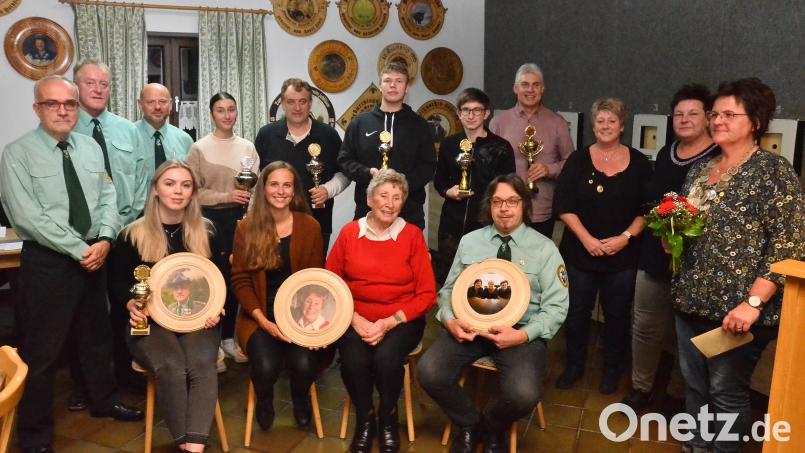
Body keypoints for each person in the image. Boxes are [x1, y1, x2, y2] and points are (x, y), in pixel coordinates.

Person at [0, 75, 142, 453]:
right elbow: (27, 217)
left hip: (95, 256)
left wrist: (107, 238)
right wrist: (80, 249)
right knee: (42, 353)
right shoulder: (17, 154)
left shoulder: (90, 148)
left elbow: (108, 196)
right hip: (49, 262)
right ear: (37, 108)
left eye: (69, 103)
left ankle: (103, 401)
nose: (63, 110)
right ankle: (34, 435)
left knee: (96, 339)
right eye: (53, 103)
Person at [673, 78, 804, 453]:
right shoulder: (701, 169)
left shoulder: (774, 172)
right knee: (695, 388)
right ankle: (696, 447)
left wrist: (753, 303)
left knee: (726, 393)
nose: (718, 121)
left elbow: (788, 245)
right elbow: (685, 225)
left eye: (730, 114)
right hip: (690, 301)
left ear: (756, 122)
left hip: (739, 314)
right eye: (715, 113)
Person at [417, 174, 569, 453]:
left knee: (523, 394)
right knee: (429, 372)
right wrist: (449, 319)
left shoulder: (545, 249)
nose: (504, 208)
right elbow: (448, 290)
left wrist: (523, 335)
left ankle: (493, 426)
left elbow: (557, 306)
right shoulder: (470, 242)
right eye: (497, 201)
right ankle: (470, 424)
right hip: (470, 327)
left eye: (512, 201)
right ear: (489, 206)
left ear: (524, 205)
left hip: (519, 332)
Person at [110, 160, 223, 452]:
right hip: (147, 323)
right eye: (170, 184)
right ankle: (187, 443)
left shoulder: (207, 231)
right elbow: (117, 283)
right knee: (172, 367)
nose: (178, 191)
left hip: (198, 322)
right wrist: (130, 302)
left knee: (201, 365)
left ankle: (192, 447)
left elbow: (222, 281)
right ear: (156, 190)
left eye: (186, 185)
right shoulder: (131, 234)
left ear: (193, 193)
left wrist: (218, 307)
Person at [623, 84, 721, 413]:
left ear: (708, 118)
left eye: (693, 113)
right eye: (678, 114)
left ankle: (679, 395)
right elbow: (653, 199)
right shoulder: (667, 152)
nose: (684, 119)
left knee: (688, 333)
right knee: (645, 325)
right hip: (653, 255)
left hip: (693, 261)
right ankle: (641, 387)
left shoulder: (717, 158)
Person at [326, 169, 436, 453]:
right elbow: (330, 283)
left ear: (403, 203)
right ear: (370, 199)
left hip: (401, 318)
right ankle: (365, 420)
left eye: (397, 198)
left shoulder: (412, 236)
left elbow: (426, 294)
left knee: (387, 361)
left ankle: (388, 419)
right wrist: (353, 318)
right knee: (353, 362)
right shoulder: (350, 233)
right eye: (384, 196)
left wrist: (390, 322)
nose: (390, 203)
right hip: (354, 316)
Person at [553, 98, 653, 394]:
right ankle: (574, 367)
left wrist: (625, 238)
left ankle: (611, 371)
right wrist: (586, 239)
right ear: (593, 126)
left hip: (622, 256)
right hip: (580, 252)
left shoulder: (639, 164)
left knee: (618, 316)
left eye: (612, 121)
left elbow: (648, 209)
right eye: (600, 121)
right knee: (576, 314)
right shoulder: (578, 160)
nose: (605, 126)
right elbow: (563, 204)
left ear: (622, 126)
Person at [230, 161, 326, 431]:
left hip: (300, 316)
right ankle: (264, 400)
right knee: (265, 365)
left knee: (305, 363)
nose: (280, 191)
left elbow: (316, 280)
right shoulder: (246, 227)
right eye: (274, 184)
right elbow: (240, 279)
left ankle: (300, 398)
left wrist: (309, 323)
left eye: (287, 185)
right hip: (259, 314)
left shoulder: (310, 227)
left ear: (295, 190)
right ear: (263, 189)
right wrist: (262, 320)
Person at [73, 59, 149, 393]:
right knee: (84, 317)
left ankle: (125, 374)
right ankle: (83, 385)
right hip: (81, 239)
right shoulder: (66, 127)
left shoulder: (127, 129)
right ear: (76, 86)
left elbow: (140, 177)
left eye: (104, 84)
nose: (98, 89)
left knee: (125, 307)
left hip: (124, 234)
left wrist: (127, 224)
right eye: (90, 83)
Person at [187, 92, 259, 367]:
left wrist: (244, 203)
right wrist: (225, 197)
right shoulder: (199, 148)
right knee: (210, 280)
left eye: (231, 109)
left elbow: (256, 185)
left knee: (234, 278)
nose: (227, 115)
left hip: (240, 222)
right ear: (211, 114)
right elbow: (192, 192)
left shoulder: (248, 147)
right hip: (207, 222)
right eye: (220, 110)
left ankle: (229, 339)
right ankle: (211, 343)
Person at [338, 62, 437, 229]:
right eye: (387, 80)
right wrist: (368, 173)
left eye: (399, 81)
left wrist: (403, 183)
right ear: (380, 85)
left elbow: (428, 166)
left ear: (407, 87)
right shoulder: (360, 123)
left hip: (409, 212)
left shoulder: (420, 126)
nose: (393, 85)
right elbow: (345, 160)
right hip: (367, 211)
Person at [433, 87, 516, 282]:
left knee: (482, 282)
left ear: (486, 113)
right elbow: (439, 180)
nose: (471, 115)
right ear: (458, 114)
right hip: (451, 225)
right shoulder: (449, 144)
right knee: (449, 279)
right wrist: (448, 191)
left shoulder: (501, 147)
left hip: (486, 225)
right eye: (466, 110)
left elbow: (508, 188)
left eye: (477, 110)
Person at [254, 78, 346, 251]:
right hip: (272, 224)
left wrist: (328, 190)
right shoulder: (266, 135)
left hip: (318, 222)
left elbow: (344, 173)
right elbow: (257, 177)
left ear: (310, 103)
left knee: (312, 276)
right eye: (291, 102)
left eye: (302, 102)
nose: (297, 108)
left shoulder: (329, 135)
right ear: (282, 104)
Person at [489, 63, 574, 238]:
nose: (530, 90)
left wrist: (549, 169)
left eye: (536, 85)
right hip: (505, 210)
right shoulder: (498, 123)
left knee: (538, 263)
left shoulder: (557, 122)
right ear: (515, 88)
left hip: (542, 210)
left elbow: (571, 163)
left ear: (542, 89)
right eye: (525, 84)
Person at [135, 83, 194, 183]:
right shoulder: (129, 136)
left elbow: (192, 179)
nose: (157, 107)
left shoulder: (184, 140)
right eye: (151, 102)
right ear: (140, 105)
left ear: (170, 105)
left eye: (162, 102)